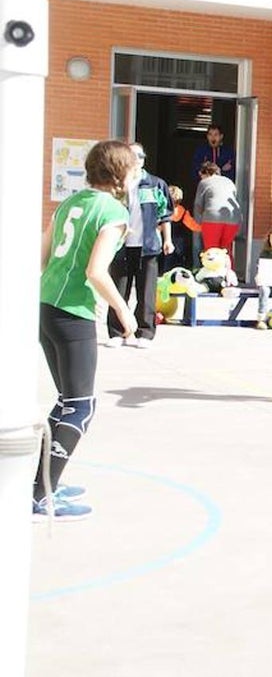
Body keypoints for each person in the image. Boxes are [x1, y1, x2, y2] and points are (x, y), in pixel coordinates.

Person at [36, 139, 138, 520]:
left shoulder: (69, 204)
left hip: (46, 306)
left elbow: (43, 256)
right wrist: (124, 311)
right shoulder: (112, 211)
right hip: (73, 312)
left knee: (66, 401)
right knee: (81, 406)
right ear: (120, 174)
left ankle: (40, 484)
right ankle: (38, 495)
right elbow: (96, 271)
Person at [106, 142, 173, 349]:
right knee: (118, 289)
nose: (137, 160)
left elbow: (165, 214)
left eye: (140, 156)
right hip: (121, 245)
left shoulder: (154, 184)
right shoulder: (116, 185)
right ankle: (118, 332)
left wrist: (168, 240)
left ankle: (145, 332)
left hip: (148, 245)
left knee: (147, 292)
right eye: (133, 155)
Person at [193, 162, 241, 255]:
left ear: (206, 173)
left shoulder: (204, 182)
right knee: (226, 251)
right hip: (234, 218)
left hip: (212, 218)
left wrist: (198, 225)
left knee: (211, 251)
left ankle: (211, 269)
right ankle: (227, 268)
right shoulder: (229, 181)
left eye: (201, 175)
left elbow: (198, 205)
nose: (201, 178)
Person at [159, 185, 199, 273]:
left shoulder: (162, 210)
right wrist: (203, 228)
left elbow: (158, 228)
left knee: (165, 262)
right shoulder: (182, 211)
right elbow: (193, 225)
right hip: (179, 243)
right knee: (178, 260)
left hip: (163, 241)